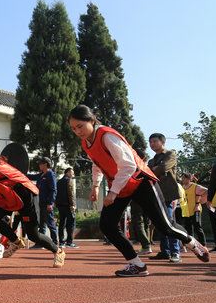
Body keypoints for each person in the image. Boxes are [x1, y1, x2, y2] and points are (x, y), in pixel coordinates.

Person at [68, 105, 208, 277]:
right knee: (107, 225)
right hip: (122, 184)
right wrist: (96, 185)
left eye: (80, 126)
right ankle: (137, 265)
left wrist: (112, 193)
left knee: (165, 226)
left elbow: (129, 166)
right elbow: (97, 163)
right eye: (73, 128)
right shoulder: (86, 142)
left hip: (141, 181)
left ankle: (193, 243)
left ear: (91, 120)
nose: (77, 131)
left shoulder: (107, 136)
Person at [147, 133, 183, 263]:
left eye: (155, 141)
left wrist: (155, 169)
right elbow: (148, 173)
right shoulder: (151, 160)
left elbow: (163, 168)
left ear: (162, 142)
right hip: (156, 194)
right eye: (150, 142)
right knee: (160, 223)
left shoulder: (170, 154)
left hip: (168, 194)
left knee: (169, 222)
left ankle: (175, 252)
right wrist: (155, 169)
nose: (152, 144)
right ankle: (165, 251)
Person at [27, 157, 58, 247]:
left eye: (41, 163)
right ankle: (40, 243)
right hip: (41, 203)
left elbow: (53, 190)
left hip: (47, 204)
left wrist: (50, 203)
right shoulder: (41, 175)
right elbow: (31, 176)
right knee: (42, 224)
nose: (39, 165)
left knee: (50, 223)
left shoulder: (50, 174)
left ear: (45, 164)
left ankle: (55, 242)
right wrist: (22, 173)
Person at [180, 173, 208, 247]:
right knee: (188, 228)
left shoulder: (196, 186)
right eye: (182, 178)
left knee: (197, 227)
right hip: (186, 211)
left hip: (195, 210)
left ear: (188, 179)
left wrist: (201, 201)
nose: (182, 179)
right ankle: (192, 245)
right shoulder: (182, 187)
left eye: (183, 178)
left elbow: (207, 191)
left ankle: (203, 245)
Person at [56, 167, 78, 248]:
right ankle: (69, 242)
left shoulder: (59, 181)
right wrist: (73, 205)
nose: (73, 174)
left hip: (60, 205)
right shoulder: (69, 180)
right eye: (72, 172)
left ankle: (61, 242)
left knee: (62, 223)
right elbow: (71, 193)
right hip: (68, 205)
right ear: (67, 172)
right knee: (71, 223)